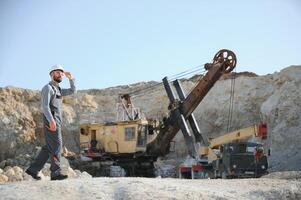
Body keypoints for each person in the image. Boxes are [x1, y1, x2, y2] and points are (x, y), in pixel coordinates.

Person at [26, 64, 76, 181]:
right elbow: (45, 107)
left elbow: (73, 91)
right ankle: (55, 174)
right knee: (57, 146)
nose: (60, 74)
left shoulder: (57, 89)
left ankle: (33, 170)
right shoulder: (48, 88)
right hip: (52, 122)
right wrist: (51, 121)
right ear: (51, 74)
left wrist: (71, 79)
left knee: (49, 148)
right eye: (57, 72)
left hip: (56, 122)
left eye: (61, 72)